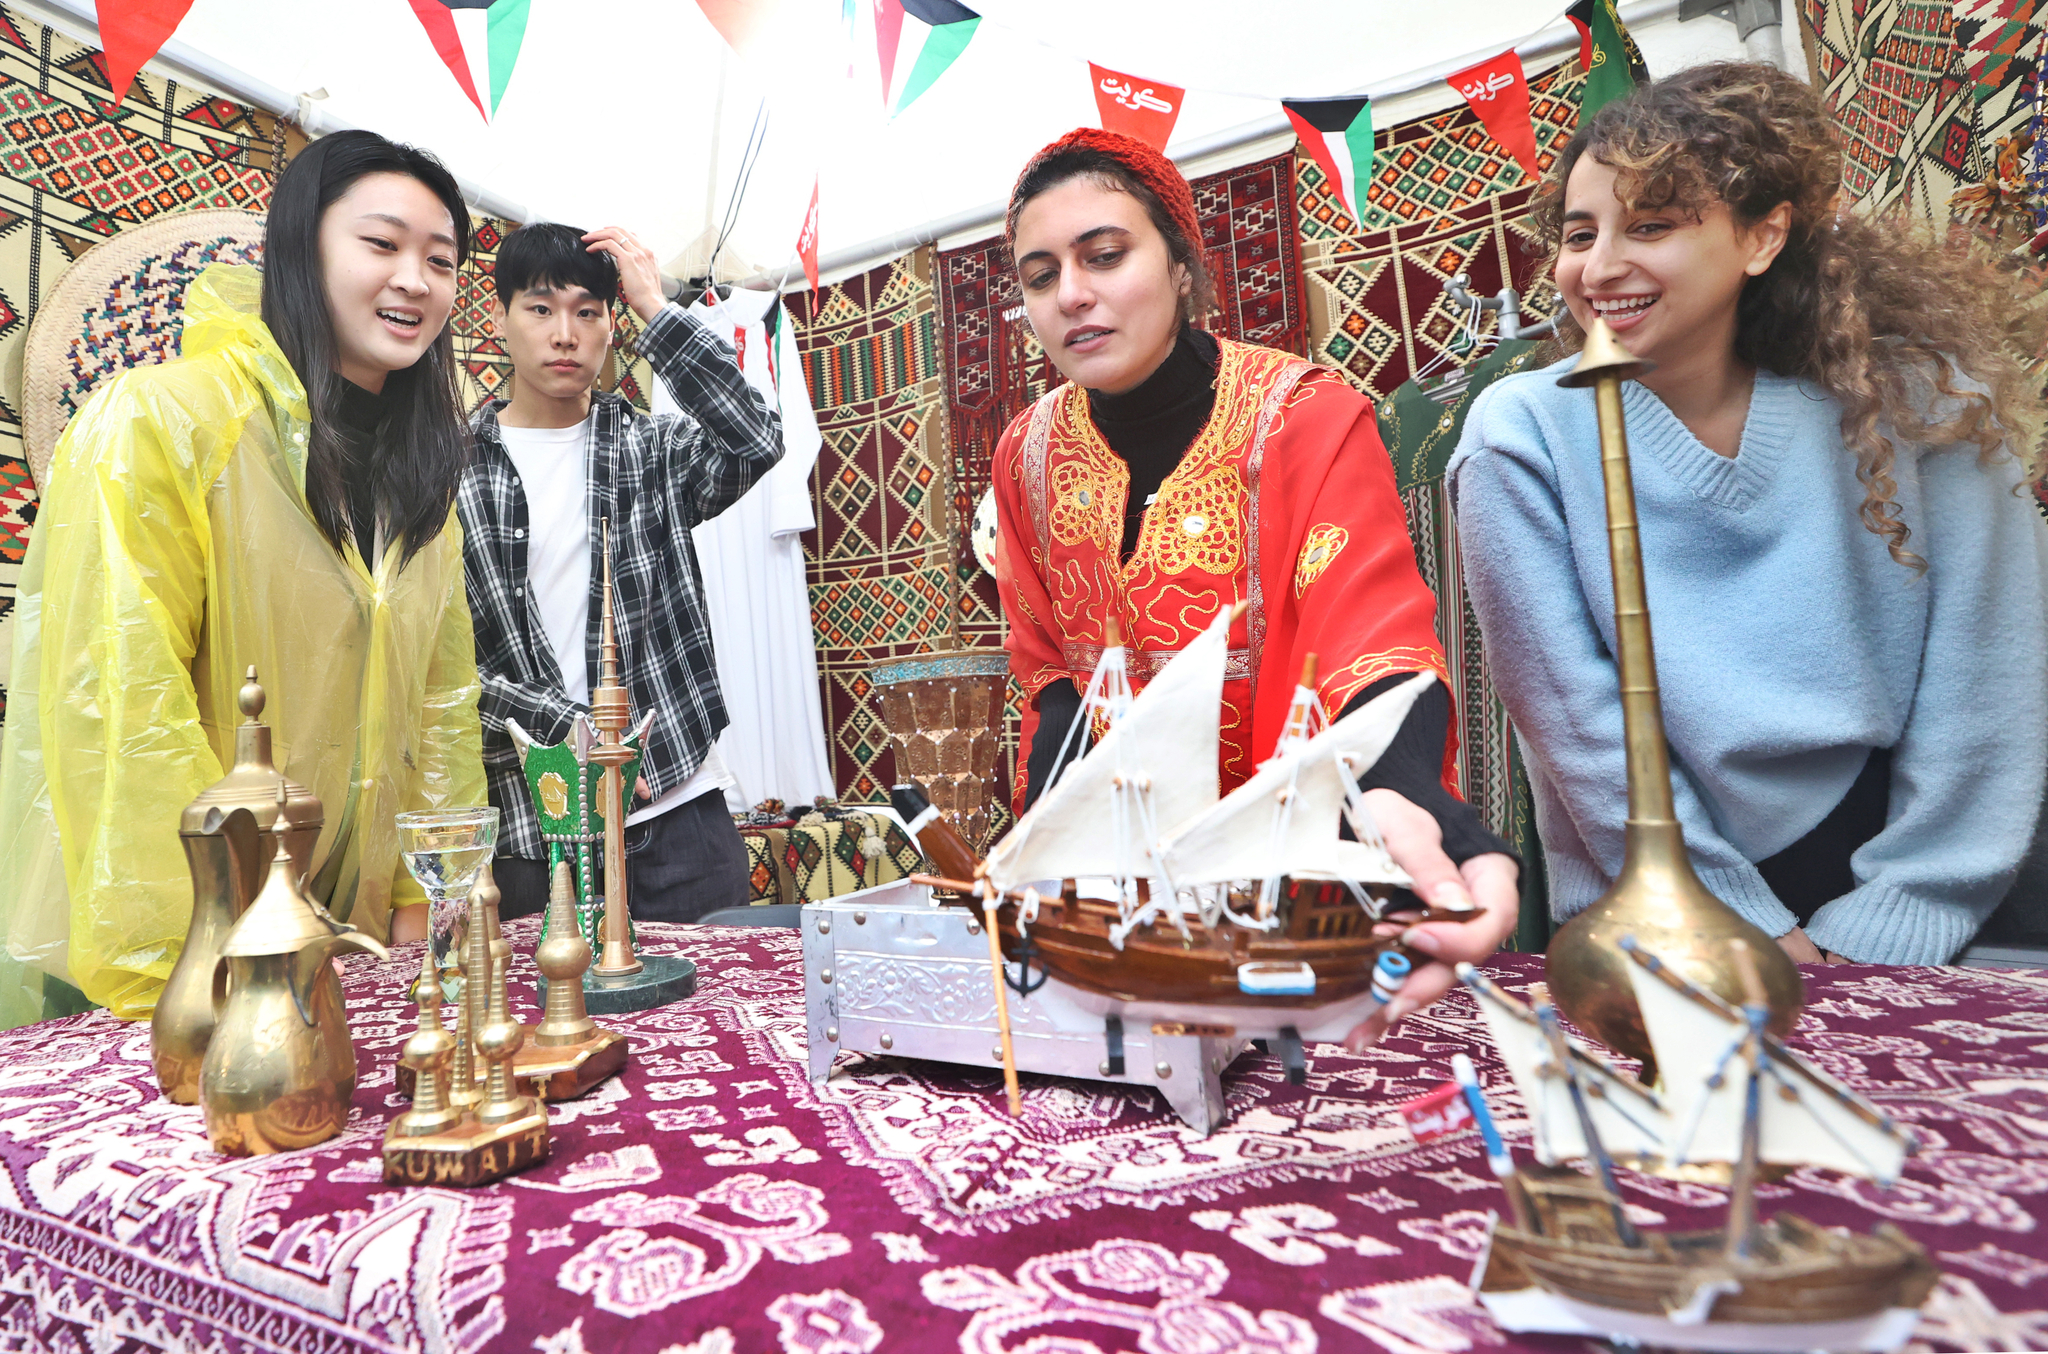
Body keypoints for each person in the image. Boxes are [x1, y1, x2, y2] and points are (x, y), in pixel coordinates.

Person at [1448, 63, 2048, 967]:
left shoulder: (1923, 402)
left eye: (1650, 225)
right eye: (1580, 234)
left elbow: (1989, 682)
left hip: (1944, 902)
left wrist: (1894, 922)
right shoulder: (1518, 436)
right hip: (1661, 920)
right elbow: (1578, 729)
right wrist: (1746, 930)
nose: (1601, 265)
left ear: (1763, 235)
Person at [993, 128, 1521, 1048]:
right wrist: (1045, 874)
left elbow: (1377, 640)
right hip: (1121, 914)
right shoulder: (1025, 457)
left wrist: (1400, 792)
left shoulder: (1304, 420)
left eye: (1106, 256)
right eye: (1041, 277)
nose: (1072, 293)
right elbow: (1052, 686)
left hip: (1303, 892)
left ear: (1184, 267)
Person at [0, 130, 487, 1028]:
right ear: (301, 251)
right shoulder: (161, 422)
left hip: (356, 952)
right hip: (186, 966)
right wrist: (199, 955)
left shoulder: (426, 492)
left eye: (442, 261)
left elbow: (443, 714)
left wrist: (433, 906)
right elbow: (122, 714)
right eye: (382, 245)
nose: (416, 280)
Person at [457, 223, 782, 923]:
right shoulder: (451, 472)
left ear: (612, 324)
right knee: (549, 1033)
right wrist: (570, 729)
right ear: (498, 318)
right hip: (538, 832)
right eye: (540, 309)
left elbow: (757, 439)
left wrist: (659, 312)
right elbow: (441, 661)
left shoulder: (652, 448)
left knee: (720, 1024)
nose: (565, 334)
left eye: (588, 311)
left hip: (679, 818)